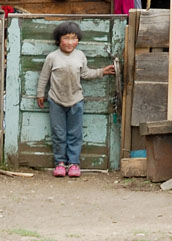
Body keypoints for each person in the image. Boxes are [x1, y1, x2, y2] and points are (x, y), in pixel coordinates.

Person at [35, 21, 115, 177]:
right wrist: (40, 94)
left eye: (74, 38)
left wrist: (101, 72)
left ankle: (73, 164)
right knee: (58, 133)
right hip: (56, 100)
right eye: (66, 38)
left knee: (75, 133)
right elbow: (44, 77)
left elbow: (85, 74)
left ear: (78, 40)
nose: (70, 42)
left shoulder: (80, 56)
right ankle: (59, 163)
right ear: (59, 40)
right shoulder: (52, 57)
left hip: (76, 100)